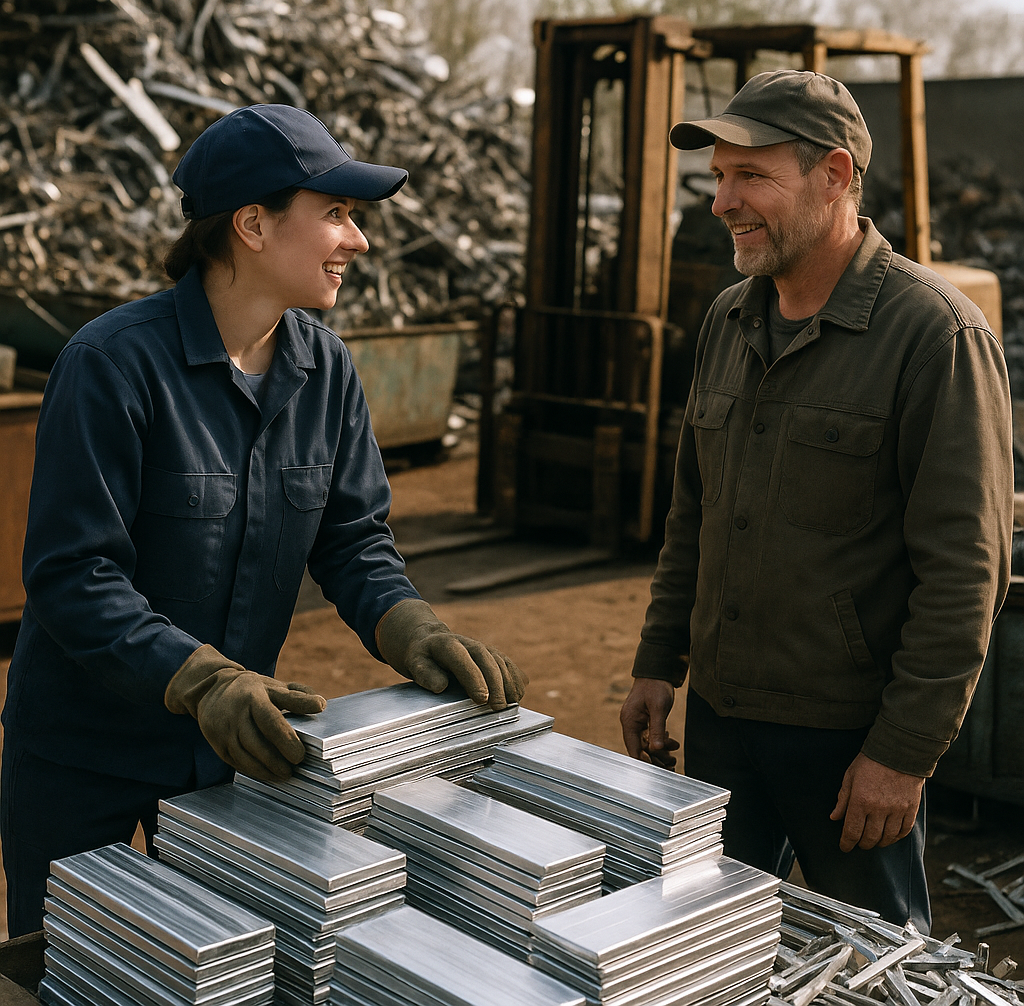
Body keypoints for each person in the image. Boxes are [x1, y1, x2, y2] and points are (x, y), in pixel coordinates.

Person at [1, 103, 526, 937]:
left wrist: (412, 630)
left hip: (229, 757)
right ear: (252, 223)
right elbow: (74, 574)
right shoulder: (110, 365)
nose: (356, 240)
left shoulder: (328, 371)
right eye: (337, 214)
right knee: (78, 975)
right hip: (81, 755)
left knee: (217, 972)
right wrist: (204, 678)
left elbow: (354, 542)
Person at [619, 71, 1012, 931]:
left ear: (834, 176)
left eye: (750, 176)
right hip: (721, 725)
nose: (723, 202)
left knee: (874, 968)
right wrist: (659, 661)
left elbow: (965, 575)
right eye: (718, 177)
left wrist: (901, 755)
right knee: (710, 953)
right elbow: (694, 516)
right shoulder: (728, 318)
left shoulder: (933, 335)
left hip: (847, 746)